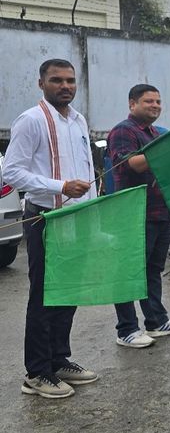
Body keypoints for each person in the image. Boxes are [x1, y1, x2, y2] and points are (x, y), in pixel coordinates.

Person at [3, 59, 98, 398]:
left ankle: (59, 360)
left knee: (68, 292)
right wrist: (59, 187)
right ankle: (37, 373)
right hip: (46, 217)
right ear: (41, 83)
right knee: (43, 295)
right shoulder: (31, 120)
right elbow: (11, 173)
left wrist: (94, 214)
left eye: (70, 80)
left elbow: (86, 169)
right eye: (56, 80)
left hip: (77, 217)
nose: (65, 86)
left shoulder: (79, 120)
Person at [109, 84, 170, 349]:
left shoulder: (155, 133)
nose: (155, 105)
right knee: (129, 272)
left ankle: (156, 321)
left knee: (153, 270)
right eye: (148, 101)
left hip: (159, 212)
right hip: (134, 214)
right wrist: (165, 149)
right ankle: (127, 329)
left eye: (158, 101)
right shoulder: (124, 131)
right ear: (133, 104)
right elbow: (130, 163)